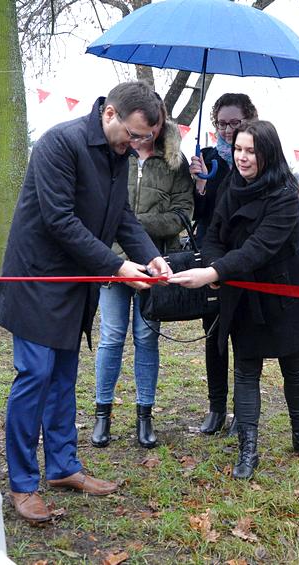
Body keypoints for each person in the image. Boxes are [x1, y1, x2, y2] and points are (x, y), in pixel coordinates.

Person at [0, 81, 172, 523]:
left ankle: (64, 467)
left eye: (144, 138)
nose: (137, 145)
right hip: (36, 280)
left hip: (75, 283)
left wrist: (151, 257)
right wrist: (116, 267)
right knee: (34, 377)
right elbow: (59, 220)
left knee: (63, 379)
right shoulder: (61, 143)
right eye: (133, 135)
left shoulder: (119, 155)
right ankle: (21, 483)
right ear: (109, 113)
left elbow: (122, 218)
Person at [170, 120, 299, 481]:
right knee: (246, 369)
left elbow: (260, 248)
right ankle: (248, 449)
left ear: (267, 153)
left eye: (251, 151)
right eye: (239, 149)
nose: (242, 157)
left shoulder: (286, 195)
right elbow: (214, 236)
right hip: (241, 291)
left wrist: (212, 275)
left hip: (282, 291)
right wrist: (214, 265)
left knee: (294, 364)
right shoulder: (231, 186)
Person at [92, 114, 194, 450]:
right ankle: (102, 414)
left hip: (155, 263)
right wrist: (118, 242)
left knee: (147, 338)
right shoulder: (118, 155)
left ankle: (144, 416)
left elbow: (182, 214)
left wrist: (135, 225)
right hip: (114, 261)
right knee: (110, 338)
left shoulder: (174, 164)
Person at [188, 93, 258, 436]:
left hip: (244, 259)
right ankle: (216, 408)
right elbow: (199, 215)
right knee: (213, 334)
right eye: (222, 123)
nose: (228, 130)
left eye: (235, 123)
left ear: (247, 121)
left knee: (244, 335)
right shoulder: (206, 158)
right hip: (211, 257)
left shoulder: (256, 158)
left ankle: (241, 414)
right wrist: (200, 184)